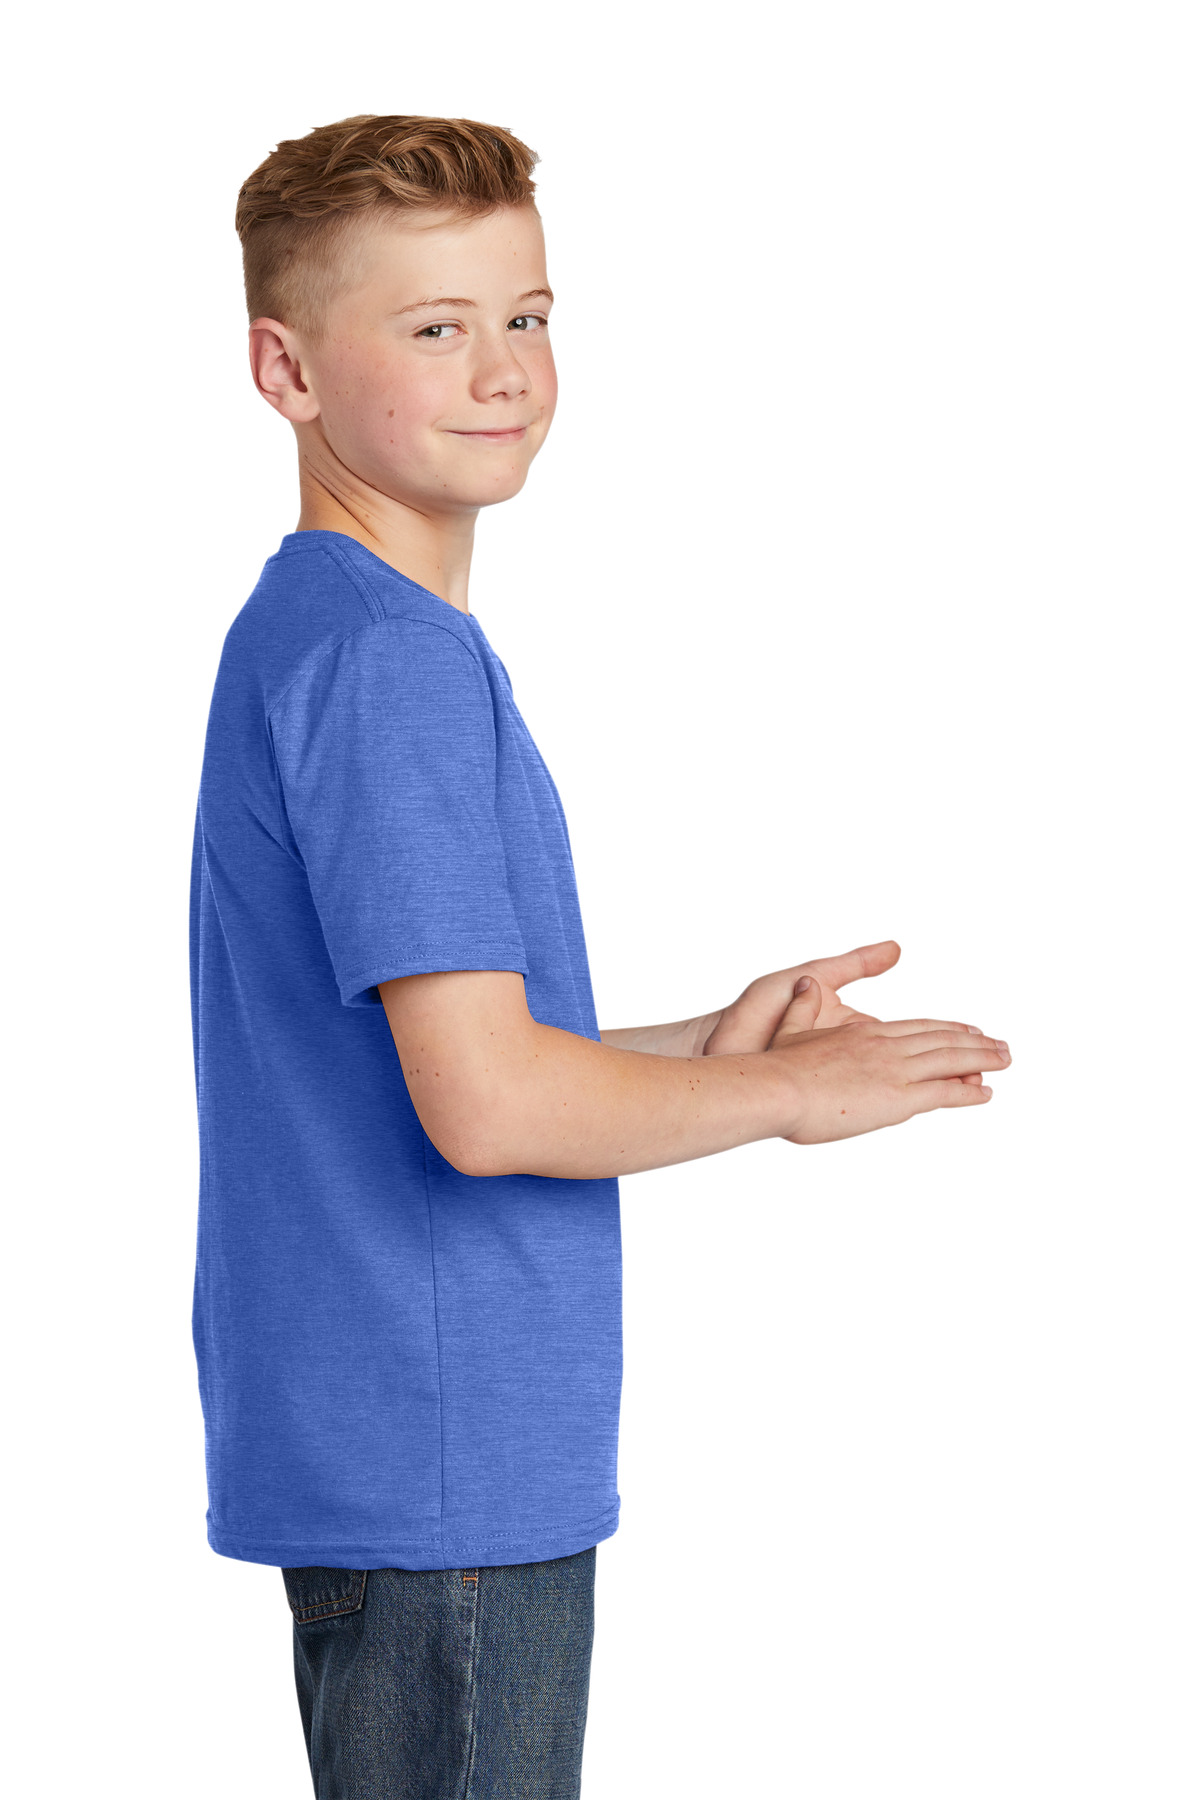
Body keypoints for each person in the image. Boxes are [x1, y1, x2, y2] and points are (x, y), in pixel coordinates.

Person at [190, 113, 1012, 1800]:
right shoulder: (392, 666)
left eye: (529, 315)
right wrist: (786, 1099)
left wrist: (707, 1047)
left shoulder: (327, 631)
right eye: (437, 327)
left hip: (401, 1440)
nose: (504, 371)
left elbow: (436, 1057)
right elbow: (490, 1110)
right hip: (450, 1463)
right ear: (287, 370)